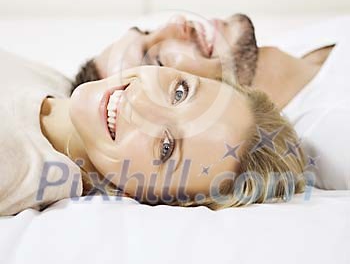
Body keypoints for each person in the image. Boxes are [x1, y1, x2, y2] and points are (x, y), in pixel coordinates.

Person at [0, 46, 306, 216]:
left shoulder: (11, 164)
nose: (142, 106)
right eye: (180, 92)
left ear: (146, 197)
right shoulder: (56, 86)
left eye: (166, 148)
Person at [71, 13, 350, 191]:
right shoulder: (334, 134)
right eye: (156, 56)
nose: (177, 23)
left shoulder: (299, 42)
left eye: (148, 32)